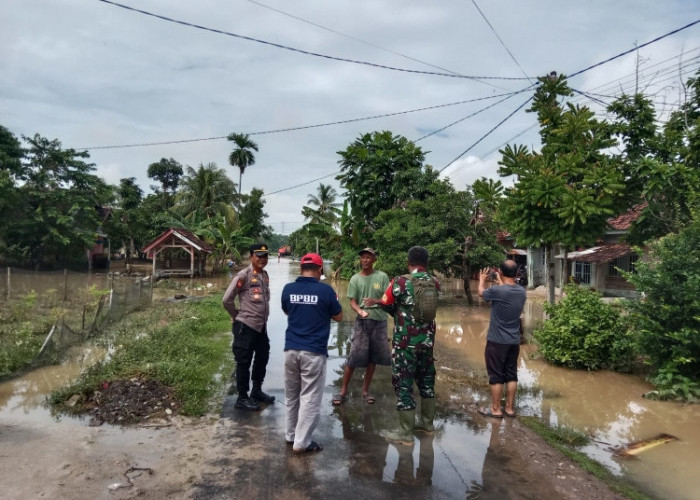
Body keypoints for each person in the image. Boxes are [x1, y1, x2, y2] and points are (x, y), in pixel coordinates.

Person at [364, 246, 440, 444]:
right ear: (426, 263)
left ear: (408, 262)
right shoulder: (435, 282)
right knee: (427, 381)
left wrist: (379, 303)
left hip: (405, 343)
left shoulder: (400, 281)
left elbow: (386, 300)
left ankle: (405, 433)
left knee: (404, 383)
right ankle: (427, 423)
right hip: (427, 342)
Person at [281, 253, 343, 454]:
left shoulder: (288, 289)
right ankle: (302, 443)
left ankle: (291, 436)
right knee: (309, 397)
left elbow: (288, 311)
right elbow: (339, 316)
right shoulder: (326, 291)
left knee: (292, 396)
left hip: (290, 350)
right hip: (313, 352)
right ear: (320, 270)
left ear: (301, 269)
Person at [332, 247, 390, 406]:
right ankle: (343, 391)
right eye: (362, 257)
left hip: (380, 321)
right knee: (354, 356)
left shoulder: (382, 276)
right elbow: (352, 301)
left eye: (368, 257)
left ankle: (365, 391)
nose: (364, 260)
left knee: (373, 358)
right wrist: (359, 310)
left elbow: (388, 298)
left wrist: (376, 301)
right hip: (362, 322)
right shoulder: (355, 279)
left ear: (374, 260)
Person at [222, 243, 275, 411]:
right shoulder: (243, 275)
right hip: (245, 327)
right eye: (259, 255)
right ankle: (242, 397)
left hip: (261, 328)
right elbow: (226, 300)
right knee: (243, 362)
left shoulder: (265, 276)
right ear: (251, 256)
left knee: (262, 358)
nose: (262, 259)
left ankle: (256, 391)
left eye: (265, 256)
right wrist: (236, 316)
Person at [477, 259, 526, 418]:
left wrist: (481, 281)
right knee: (511, 375)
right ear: (517, 273)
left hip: (497, 341)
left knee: (496, 376)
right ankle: (510, 409)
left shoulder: (497, 292)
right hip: (513, 341)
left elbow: (481, 293)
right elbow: (507, 289)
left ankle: (496, 409)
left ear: (501, 272)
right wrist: (500, 279)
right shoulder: (521, 292)